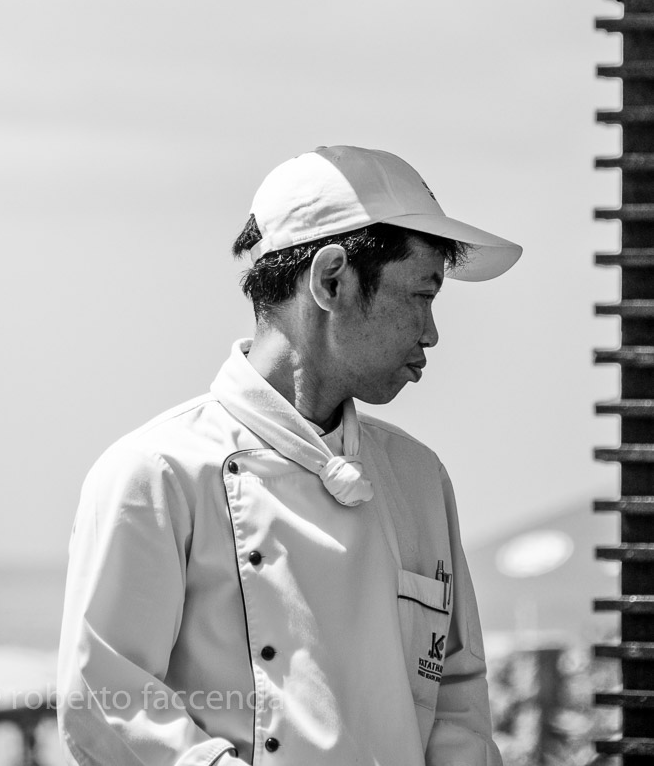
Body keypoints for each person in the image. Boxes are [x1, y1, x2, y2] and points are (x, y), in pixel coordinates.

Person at [57, 144, 521, 766]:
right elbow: (107, 705)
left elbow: (457, 701)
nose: (432, 333)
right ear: (331, 280)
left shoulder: (418, 477)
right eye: (422, 294)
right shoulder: (156, 473)